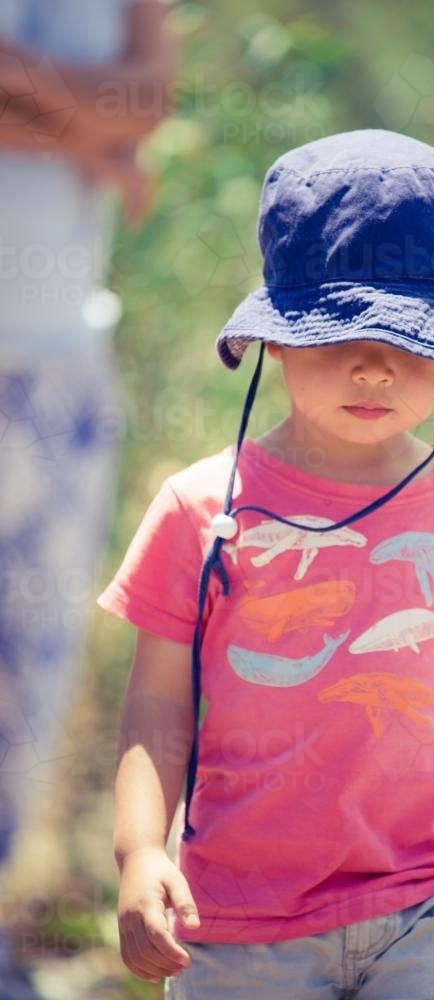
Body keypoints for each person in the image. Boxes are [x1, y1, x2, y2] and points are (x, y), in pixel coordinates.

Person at [97, 129, 434, 999]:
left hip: (430, 899)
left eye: (411, 342)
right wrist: (139, 852)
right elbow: (156, 700)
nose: (376, 367)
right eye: (340, 336)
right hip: (235, 923)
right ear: (276, 339)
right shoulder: (201, 508)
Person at [0, 2, 178, 996]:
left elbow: (146, 102)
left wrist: (20, 80)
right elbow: (117, 116)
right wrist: (88, 133)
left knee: (31, 674)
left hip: (66, 365)